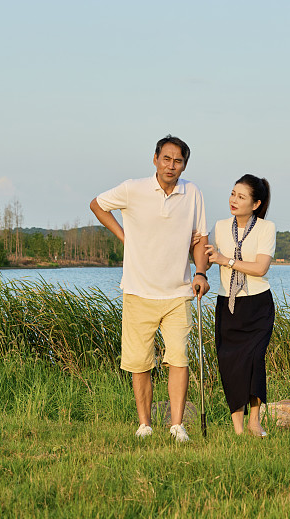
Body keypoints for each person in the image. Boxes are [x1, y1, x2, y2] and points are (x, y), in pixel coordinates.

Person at [90, 135, 210, 442]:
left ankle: (177, 425)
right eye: (166, 159)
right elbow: (98, 204)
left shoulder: (192, 193)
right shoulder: (133, 189)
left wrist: (200, 272)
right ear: (155, 159)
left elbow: (199, 239)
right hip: (138, 290)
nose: (171, 166)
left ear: (184, 165)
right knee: (140, 362)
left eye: (178, 161)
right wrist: (123, 236)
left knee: (179, 358)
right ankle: (144, 424)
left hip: (179, 292)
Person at [204, 174, 275, 436]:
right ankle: (238, 427)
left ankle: (255, 421)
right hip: (228, 304)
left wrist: (227, 260)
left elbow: (260, 267)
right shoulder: (221, 226)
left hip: (258, 305)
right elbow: (206, 256)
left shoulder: (266, 228)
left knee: (254, 359)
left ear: (255, 204)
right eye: (233, 193)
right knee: (229, 362)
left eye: (241, 196)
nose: (234, 200)